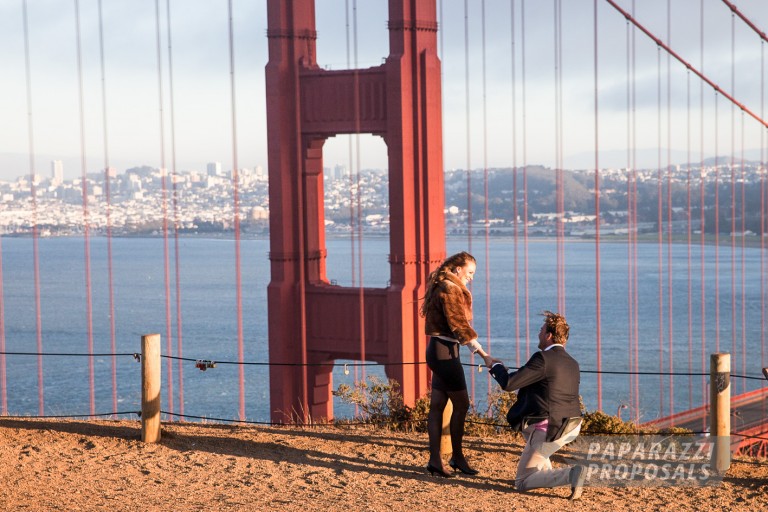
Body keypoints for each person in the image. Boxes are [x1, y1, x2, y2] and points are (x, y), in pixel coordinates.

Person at [482, 310, 586, 500]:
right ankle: (544, 471)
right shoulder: (573, 363)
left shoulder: (543, 358)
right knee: (529, 434)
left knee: (522, 481)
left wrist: (495, 366)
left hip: (550, 429)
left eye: (541, 330)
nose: (538, 333)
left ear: (549, 335)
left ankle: (571, 474)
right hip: (572, 424)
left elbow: (509, 384)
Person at [420, 251, 491, 478]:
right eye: (470, 272)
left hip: (437, 349)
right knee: (461, 405)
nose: (472, 277)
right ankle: (457, 458)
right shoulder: (450, 289)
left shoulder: (442, 284)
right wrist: (484, 355)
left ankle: (435, 461)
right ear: (458, 269)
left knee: (438, 406)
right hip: (445, 353)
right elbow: (459, 325)